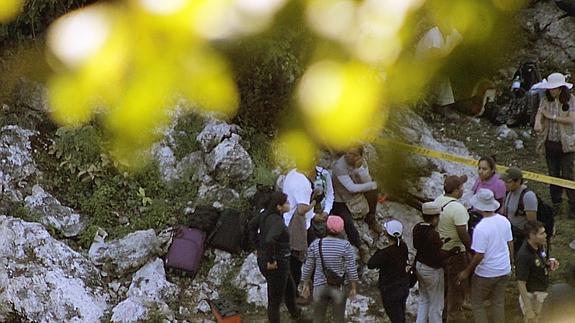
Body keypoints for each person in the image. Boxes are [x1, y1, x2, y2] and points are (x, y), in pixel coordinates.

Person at [457, 189, 513, 323]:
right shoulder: (504, 221)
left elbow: (479, 256)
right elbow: (510, 243)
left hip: (487, 272)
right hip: (504, 269)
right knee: (498, 303)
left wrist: (466, 272)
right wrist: (511, 262)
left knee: (477, 303)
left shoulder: (481, 228)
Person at [248, 192, 300, 322]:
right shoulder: (277, 221)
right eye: (286, 203)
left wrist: (258, 246)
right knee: (275, 300)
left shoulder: (265, 215)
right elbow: (270, 240)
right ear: (279, 207)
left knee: (290, 287)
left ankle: (296, 314)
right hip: (276, 263)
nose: (289, 204)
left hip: (267, 259)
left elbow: (251, 226)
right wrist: (272, 260)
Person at [300, 216, 359, 323]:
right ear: (341, 230)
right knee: (338, 319)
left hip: (319, 286)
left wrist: (305, 283)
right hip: (338, 288)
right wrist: (353, 287)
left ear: (326, 228)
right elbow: (351, 268)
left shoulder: (316, 244)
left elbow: (308, 266)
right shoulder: (345, 246)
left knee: (317, 318)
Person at [534, 72, 575, 218]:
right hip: (550, 143)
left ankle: (573, 206)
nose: (552, 91)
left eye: (555, 88)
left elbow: (571, 119)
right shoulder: (545, 100)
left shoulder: (571, 100)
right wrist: (538, 122)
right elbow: (540, 113)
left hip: (567, 145)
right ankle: (556, 204)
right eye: (551, 88)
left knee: (568, 175)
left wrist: (552, 117)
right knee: (553, 175)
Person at [413, 202, 461, 323]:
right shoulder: (433, 234)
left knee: (424, 300)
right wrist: (452, 252)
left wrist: (440, 242)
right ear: (434, 218)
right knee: (437, 305)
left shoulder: (417, 227)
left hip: (419, 266)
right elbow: (439, 257)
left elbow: (419, 246)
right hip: (432, 270)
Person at [332, 146, 380, 263]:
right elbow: (351, 188)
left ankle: (371, 217)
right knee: (347, 222)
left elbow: (366, 181)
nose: (350, 156)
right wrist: (373, 185)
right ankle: (360, 247)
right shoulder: (339, 166)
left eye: (354, 154)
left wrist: (360, 170)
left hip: (356, 194)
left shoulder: (361, 163)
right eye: (349, 153)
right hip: (341, 198)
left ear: (360, 156)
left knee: (373, 192)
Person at [281, 166, 324, 298]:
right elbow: (301, 209)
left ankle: (306, 286)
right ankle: (300, 291)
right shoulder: (303, 183)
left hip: (290, 222)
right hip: (298, 226)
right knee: (298, 258)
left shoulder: (292, 173)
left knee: (305, 255)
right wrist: (313, 202)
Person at [433, 174, 470, 322]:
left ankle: (442, 315)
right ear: (455, 191)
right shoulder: (457, 208)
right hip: (455, 253)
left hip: (440, 251)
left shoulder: (438, 201)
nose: (462, 190)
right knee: (457, 287)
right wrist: (470, 248)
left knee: (444, 288)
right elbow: (462, 232)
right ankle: (453, 315)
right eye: (461, 187)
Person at [516, 221, 560, 323]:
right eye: (541, 233)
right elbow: (521, 283)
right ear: (531, 235)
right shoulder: (524, 256)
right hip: (532, 296)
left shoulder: (539, 246)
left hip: (543, 290)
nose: (545, 235)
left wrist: (550, 264)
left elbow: (540, 262)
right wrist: (529, 309)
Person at [368, 219, 409, 323]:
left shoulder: (385, 254)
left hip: (390, 290)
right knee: (400, 315)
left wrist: (378, 251)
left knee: (395, 318)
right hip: (403, 286)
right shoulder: (403, 246)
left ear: (387, 234)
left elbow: (370, 264)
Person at [501, 167, 538, 255]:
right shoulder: (508, 192)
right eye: (504, 181)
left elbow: (532, 223)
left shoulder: (528, 196)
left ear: (517, 181)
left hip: (521, 237)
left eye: (508, 182)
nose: (505, 184)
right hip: (510, 234)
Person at [307, 165, 335, 243]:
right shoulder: (299, 176)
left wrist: (326, 211)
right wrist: (312, 215)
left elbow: (329, 193)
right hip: (307, 212)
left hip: (322, 209)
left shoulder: (324, 174)